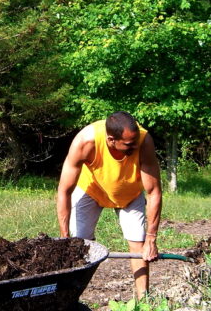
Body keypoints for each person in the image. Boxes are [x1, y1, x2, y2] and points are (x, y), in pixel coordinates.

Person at [56, 111, 162, 298]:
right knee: (79, 244)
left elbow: (153, 193)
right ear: (111, 139)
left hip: (130, 193)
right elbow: (64, 191)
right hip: (91, 189)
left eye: (136, 141)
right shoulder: (86, 142)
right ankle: (71, 298)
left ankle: (144, 300)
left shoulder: (143, 141)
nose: (135, 146)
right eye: (129, 144)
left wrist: (151, 239)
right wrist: (65, 237)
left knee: (139, 244)